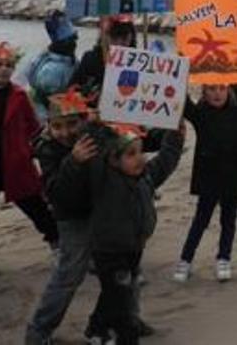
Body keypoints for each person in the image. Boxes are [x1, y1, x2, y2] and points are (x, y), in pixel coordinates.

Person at [66, 123, 184, 344]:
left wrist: (175, 138)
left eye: (141, 152)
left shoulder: (144, 177)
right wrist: (93, 131)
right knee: (121, 299)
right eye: (131, 154)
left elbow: (164, 162)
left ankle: (96, 328)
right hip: (109, 251)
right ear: (113, 160)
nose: (139, 158)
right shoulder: (105, 180)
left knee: (115, 293)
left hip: (134, 247)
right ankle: (127, 338)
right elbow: (94, 150)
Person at [0, 41, 59, 266]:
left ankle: (57, 244)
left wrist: (29, 150)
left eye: (8, 65)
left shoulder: (19, 96)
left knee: (36, 207)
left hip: (15, 162)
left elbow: (33, 127)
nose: (4, 69)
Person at [174, 81, 237, 283]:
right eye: (211, 89)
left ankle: (224, 258)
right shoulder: (201, 114)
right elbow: (182, 103)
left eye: (221, 88)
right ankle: (185, 259)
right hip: (209, 174)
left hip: (233, 174)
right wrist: (178, 75)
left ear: (229, 90)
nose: (217, 94)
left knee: (228, 220)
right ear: (204, 92)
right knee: (201, 219)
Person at [25, 89, 99, 344]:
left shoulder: (95, 135)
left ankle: (125, 318)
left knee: (123, 270)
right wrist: (74, 162)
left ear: (84, 120)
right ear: (48, 125)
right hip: (72, 218)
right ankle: (38, 330)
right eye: (57, 126)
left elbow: (138, 141)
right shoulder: (46, 150)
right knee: (68, 276)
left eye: (72, 124)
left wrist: (170, 135)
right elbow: (56, 192)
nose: (65, 132)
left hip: (104, 213)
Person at [26, 10, 79, 119]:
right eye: (71, 39)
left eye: (74, 37)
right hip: (52, 119)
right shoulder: (52, 71)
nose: (75, 42)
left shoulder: (49, 58)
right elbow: (44, 103)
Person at [70, 15, 136, 91]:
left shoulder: (140, 65)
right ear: (105, 36)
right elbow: (72, 90)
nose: (119, 43)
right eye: (114, 37)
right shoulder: (90, 59)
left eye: (124, 38)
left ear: (132, 37)